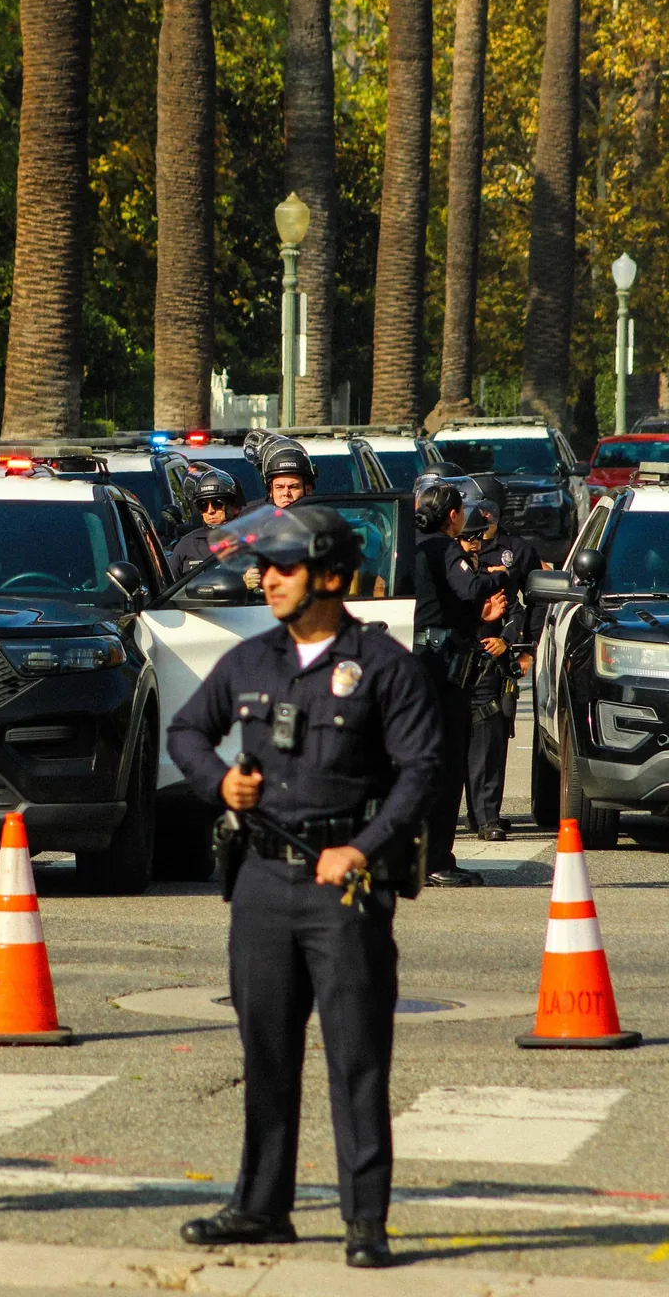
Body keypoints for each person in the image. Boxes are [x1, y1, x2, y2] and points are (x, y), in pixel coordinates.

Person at [168, 504, 442, 1270]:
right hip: (260, 881)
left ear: (328, 575)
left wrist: (362, 848)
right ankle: (261, 1206)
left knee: (356, 1059)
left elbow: (422, 770)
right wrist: (221, 782)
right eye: (266, 568)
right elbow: (185, 730)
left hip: (342, 890)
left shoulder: (383, 667)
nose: (268, 580)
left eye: (283, 568)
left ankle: (366, 1221)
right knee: (266, 1052)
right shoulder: (251, 661)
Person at [414, 481, 508, 886]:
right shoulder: (446, 548)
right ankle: (437, 860)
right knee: (450, 765)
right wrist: (495, 577)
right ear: (452, 515)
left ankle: (420, 856)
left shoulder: (414, 546)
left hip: (419, 666)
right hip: (443, 671)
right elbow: (467, 587)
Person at [459, 478, 545, 840]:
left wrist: (519, 646)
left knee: (490, 738)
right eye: (476, 515)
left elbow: (527, 605)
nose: (482, 523)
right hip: (453, 655)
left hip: (493, 659)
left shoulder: (515, 552)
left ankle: (487, 815)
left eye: (489, 512)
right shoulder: (446, 554)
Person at [168, 467, 244, 580]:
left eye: (217, 504)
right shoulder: (187, 545)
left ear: (231, 506)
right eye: (203, 505)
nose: (210, 511)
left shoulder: (249, 540)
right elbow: (169, 588)